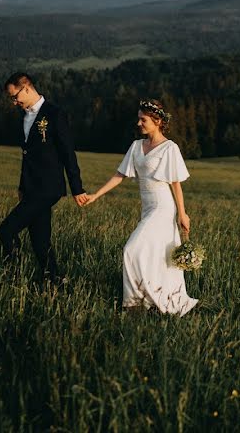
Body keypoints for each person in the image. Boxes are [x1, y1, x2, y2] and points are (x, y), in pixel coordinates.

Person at [84, 99, 198, 316]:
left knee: (131, 249)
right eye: (138, 119)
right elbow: (120, 175)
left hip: (163, 208)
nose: (139, 123)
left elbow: (176, 183)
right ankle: (152, 298)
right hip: (147, 208)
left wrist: (182, 213)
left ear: (157, 121)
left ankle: (133, 304)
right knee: (154, 254)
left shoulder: (169, 148)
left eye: (143, 119)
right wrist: (95, 195)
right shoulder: (136, 146)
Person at [0, 72, 88, 286]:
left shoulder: (55, 114)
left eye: (15, 96)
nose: (14, 102)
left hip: (49, 188)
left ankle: (14, 278)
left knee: (6, 230)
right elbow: (26, 155)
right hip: (31, 187)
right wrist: (22, 186)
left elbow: (68, 153)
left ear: (27, 88)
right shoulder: (24, 116)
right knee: (40, 237)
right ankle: (54, 278)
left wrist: (77, 188)